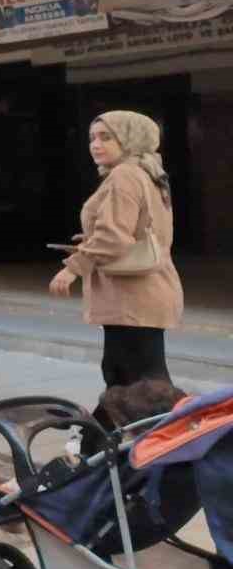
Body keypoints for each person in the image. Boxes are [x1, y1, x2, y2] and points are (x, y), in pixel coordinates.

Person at [49, 111, 183, 388]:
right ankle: (102, 432)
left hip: (132, 295)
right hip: (144, 292)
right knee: (125, 375)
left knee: (140, 382)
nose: (95, 145)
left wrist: (73, 268)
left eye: (106, 137)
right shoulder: (149, 172)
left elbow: (113, 236)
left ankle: (177, 431)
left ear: (129, 139)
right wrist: (89, 239)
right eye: (92, 138)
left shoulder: (124, 175)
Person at [0, 378, 188, 524]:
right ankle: (0, 495)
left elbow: (86, 486)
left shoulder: (130, 459)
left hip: (92, 515)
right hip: (150, 516)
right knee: (60, 471)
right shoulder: (181, 451)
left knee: (48, 476)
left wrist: (75, 467)